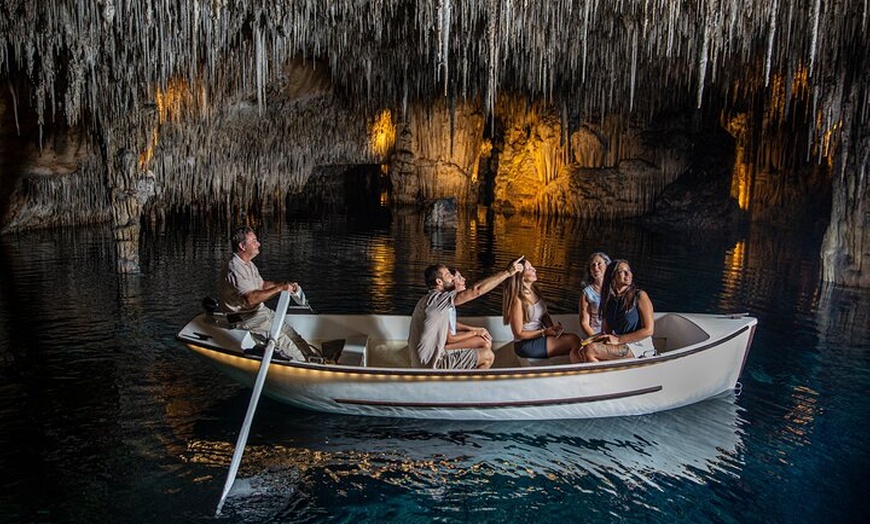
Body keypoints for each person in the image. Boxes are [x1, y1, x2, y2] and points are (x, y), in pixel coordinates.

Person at [218, 225, 319, 362]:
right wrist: (279, 289)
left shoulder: (248, 264)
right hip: (246, 318)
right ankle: (306, 365)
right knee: (286, 343)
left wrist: (284, 283)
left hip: (260, 312)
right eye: (254, 241)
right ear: (242, 246)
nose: (258, 244)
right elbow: (250, 299)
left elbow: (262, 285)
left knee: (292, 335)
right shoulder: (235, 269)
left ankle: (314, 358)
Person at [408, 256, 525, 369]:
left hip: (423, 362)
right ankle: (471, 388)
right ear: (439, 281)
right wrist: (507, 273)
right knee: (488, 356)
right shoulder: (439, 300)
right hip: (432, 364)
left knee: (483, 346)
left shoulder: (428, 300)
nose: (453, 278)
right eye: (449, 276)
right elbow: (476, 290)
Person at [502, 258, 582, 361]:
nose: (534, 269)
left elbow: (544, 315)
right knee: (574, 340)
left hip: (540, 337)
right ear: (520, 275)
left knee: (579, 342)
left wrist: (553, 329)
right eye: (529, 268)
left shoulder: (535, 290)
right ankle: (578, 372)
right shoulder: (517, 300)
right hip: (525, 344)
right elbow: (518, 333)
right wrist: (544, 332)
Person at [584, 259, 655, 362]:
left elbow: (649, 330)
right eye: (622, 271)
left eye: (629, 270)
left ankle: (604, 377)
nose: (628, 274)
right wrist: (590, 340)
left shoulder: (640, 296)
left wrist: (618, 340)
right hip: (620, 343)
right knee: (581, 351)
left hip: (639, 345)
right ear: (612, 277)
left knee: (590, 350)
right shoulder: (609, 301)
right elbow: (607, 332)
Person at [444, 269, 493, 353]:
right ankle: (447, 349)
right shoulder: (445, 304)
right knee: (484, 343)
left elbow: (451, 324)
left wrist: (473, 329)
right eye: (459, 277)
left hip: (450, 338)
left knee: (484, 339)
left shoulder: (450, 302)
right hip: (447, 341)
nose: (464, 279)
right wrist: (475, 332)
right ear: (452, 282)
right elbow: (450, 339)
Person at [578, 252, 611, 337]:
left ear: (607, 266)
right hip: (595, 335)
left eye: (599, 264)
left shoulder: (615, 289)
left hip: (615, 335)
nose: (596, 267)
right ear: (590, 270)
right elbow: (584, 323)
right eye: (593, 265)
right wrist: (597, 339)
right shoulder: (587, 293)